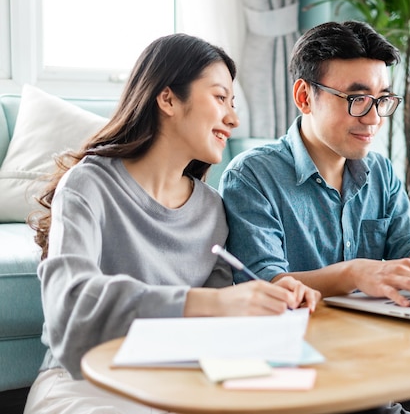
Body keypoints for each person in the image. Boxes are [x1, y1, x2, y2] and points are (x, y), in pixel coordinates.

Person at [219, 21, 410, 414]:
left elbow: (406, 245)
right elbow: (266, 285)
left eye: (382, 99)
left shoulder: (380, 172)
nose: (374, 117)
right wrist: (354, 273)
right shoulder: (251, 176)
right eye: (357, 99)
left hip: (378, 347)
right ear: (304, 96)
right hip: (304, 360)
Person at [24, 33, 320, 414]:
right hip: (84, 381)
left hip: (175, 381)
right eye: (219, 98)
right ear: (167, 98)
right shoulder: (88, 184)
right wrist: (209, 302)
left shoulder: (211, 209)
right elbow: (72, 310)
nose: (233, 118)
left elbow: (212, 330)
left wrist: (271, 311)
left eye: (233, 103)